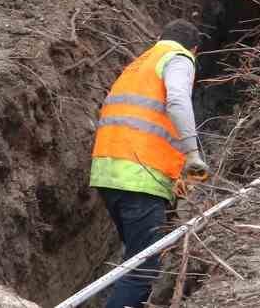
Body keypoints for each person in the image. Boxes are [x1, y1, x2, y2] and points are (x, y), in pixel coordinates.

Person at [89, 19, 209, 308]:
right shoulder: (179, 58)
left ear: (160, 38)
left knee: (136, 258)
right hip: (141, 177)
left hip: (109, 174)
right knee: (142, 268)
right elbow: (177, 99)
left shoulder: (138, 65)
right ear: (194, 49)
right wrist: (192, 153)